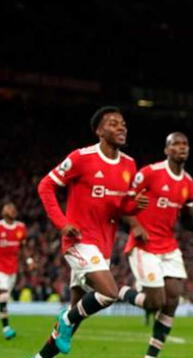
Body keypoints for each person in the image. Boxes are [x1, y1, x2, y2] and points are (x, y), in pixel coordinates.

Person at [33, 106, 148, 357]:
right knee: (108, 293)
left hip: (103, 244)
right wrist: (62, 224)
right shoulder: (81, 157)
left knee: (78, 314)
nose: (121, 127)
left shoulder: (129, 165)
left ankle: (41, 356)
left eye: (123, 123)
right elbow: (45, 186)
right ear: (99, 131)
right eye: (114, 123)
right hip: (79, 240)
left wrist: (133, 206)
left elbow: (119, 206)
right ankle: (63, 319)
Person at [118, 132, 193, 358]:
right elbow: (125, 202)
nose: (181, 148)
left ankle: (151, 355)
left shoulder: (188, 184)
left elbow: (187, 219)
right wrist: (135, 226)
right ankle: (117, 292)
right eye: (176, 144)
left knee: (172, 299)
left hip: (169, 246)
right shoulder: (150, 173)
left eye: (185, 144)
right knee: (155, 302)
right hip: (144, 245)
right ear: (166, 150)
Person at [0, 202, 27, 340]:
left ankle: (5, 327)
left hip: (12, 269)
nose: (11, 209)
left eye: (13, 207)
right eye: (8, 207)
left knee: (3, 300)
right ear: (3, 211)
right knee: (3, 297)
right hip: (0, 268)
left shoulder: (20, 227)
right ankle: (6, 328)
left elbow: (23, 247)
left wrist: (29, 261)